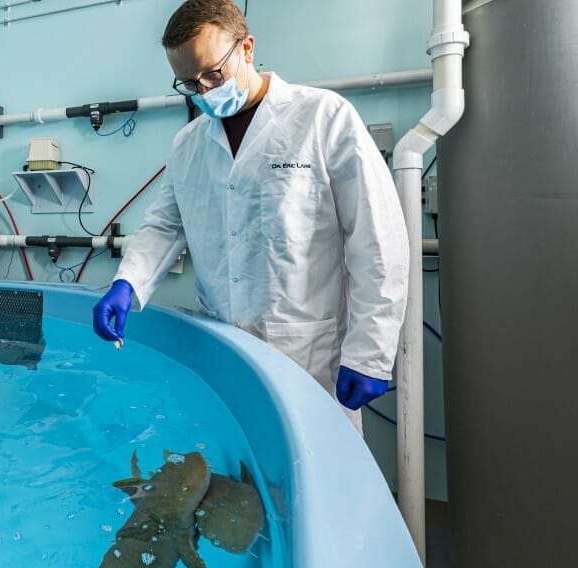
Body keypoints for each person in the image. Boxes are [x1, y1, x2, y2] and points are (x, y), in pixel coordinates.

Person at [92, 0, 408, 430]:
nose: (203, 92)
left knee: (315, 473)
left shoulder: (322, 117)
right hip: (223, 345)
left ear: (247, 48)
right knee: (234, 470)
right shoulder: (189, 144)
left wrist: (369, 352)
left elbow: (377, 240)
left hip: (306, 352)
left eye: (212, 74)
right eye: (189, 84)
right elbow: (167, 225)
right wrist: (127, 282)